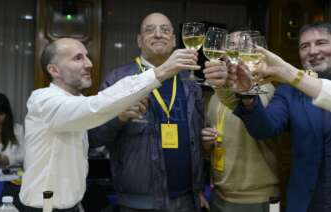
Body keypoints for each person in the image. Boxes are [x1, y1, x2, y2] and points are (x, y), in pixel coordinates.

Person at [19, 37, 200, 211]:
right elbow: (95, 106)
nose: (89, 64)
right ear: (54, 70)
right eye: (78, 58)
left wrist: (120, 116)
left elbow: (94, 118)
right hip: (42, 207)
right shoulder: (42, 100)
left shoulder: (79, 102)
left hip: (73, 205)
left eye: (87, 56)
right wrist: (161, 71)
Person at [204, 21, 331, 212]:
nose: (312, 51)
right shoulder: (288, 92)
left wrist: (285, 72)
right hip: (307, 203)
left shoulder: (276, 85)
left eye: (321, 42)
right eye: (304, 46)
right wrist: (247, 95)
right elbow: (265, 129)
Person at [88, 12, 207, 212]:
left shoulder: (189, 82)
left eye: (165, 30)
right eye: (150, 30)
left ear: (174, 40)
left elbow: (196, 141)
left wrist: (199, 188)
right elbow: (94, 137)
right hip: (138, 202)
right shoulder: (119, 79)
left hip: (186, 200)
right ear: (139, 41)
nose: (158, 34)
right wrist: (119, 117)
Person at [201, 31, 278, 212]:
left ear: (257, 54)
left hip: (257, 199)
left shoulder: (267, 90)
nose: (235, 52)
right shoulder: (215, 97)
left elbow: (262, 124)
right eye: (231, 47)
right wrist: (205, 143)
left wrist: (246, 87)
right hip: (219, 195)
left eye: (243, 47)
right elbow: (210, 148)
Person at [0, 93, 24, 168]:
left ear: (7, 114)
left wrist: (10, 160)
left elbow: (25, 155)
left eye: (1, 114)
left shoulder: (18, 129)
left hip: (12, 177)